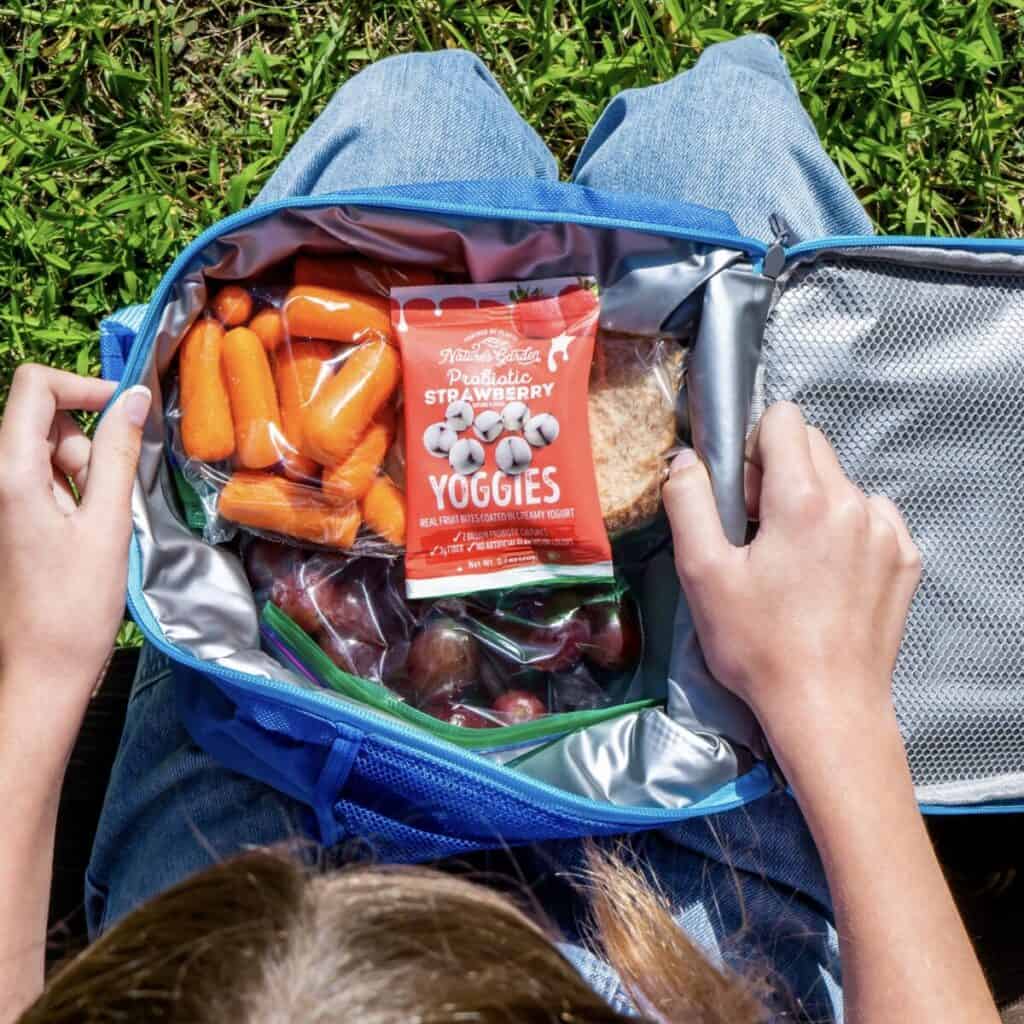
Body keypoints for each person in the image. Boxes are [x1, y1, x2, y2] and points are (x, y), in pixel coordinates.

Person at [0, 36, 1001, 1024]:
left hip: (247, 927)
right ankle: (712, 84)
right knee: (721, 121)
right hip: (700, 934)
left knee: (414, 110)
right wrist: (832, 706)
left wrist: (43, 670)